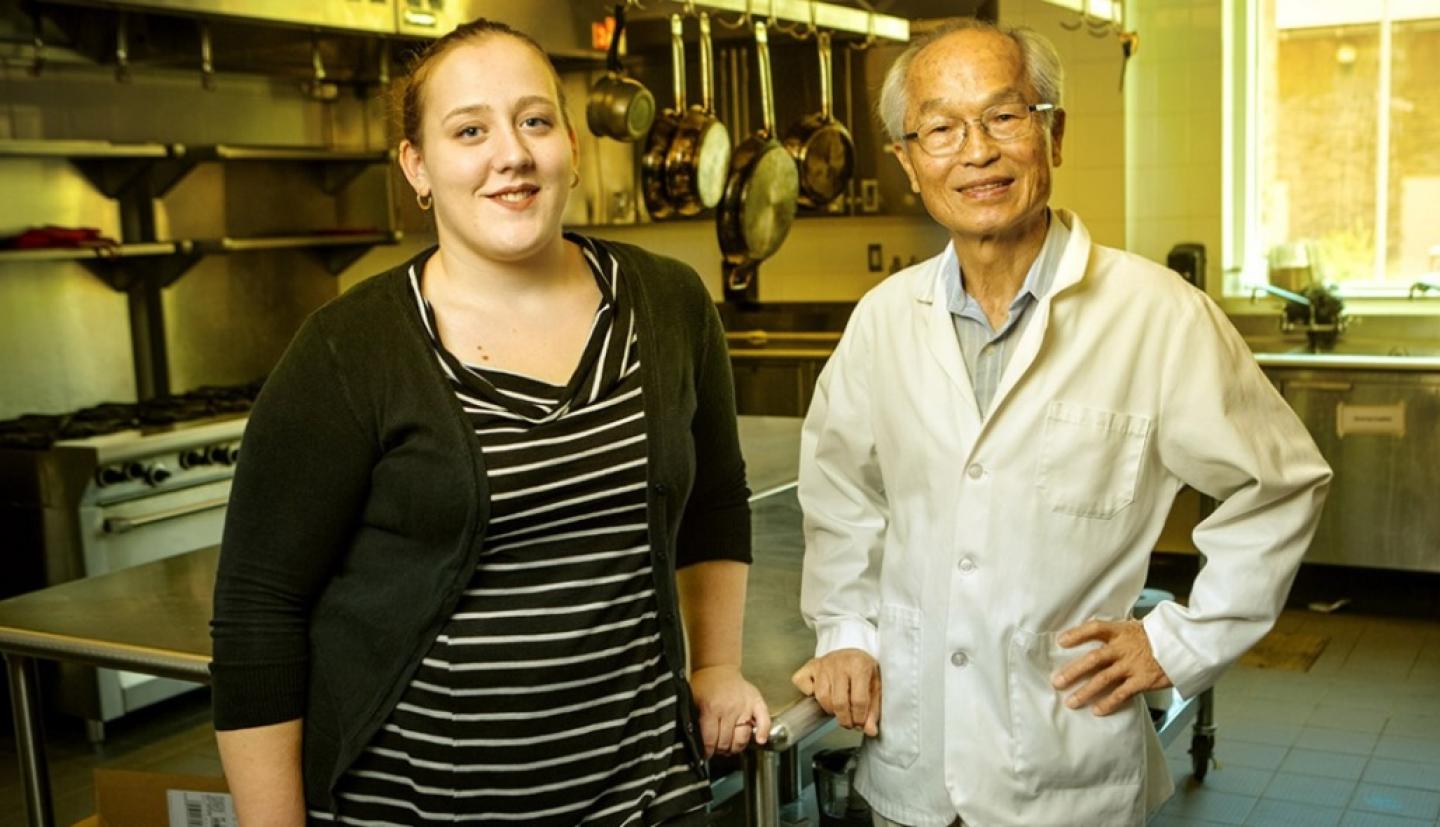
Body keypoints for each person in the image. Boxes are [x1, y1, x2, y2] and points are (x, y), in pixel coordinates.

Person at [210, 19, 769, 826]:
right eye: (469, 130)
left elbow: (716, 498)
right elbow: (258, 608)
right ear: (418, 166)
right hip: (412, 809)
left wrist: (716, 663)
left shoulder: (671, 303)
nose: (511, 152)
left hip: (645, 800)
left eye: (534, 120)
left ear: (571, 145)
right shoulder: (350, 348)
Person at [790, 18, 1330, 827]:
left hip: (1067, 768)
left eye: (1005, 117)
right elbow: (840, 490)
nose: (975, 151)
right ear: (907, 162)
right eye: (940, 128)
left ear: (1054, 133)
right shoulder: (884, 320)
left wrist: (1178, 640)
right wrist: (845, 626)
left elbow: (1280, 484)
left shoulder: (1157, 316)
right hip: (913, 766)